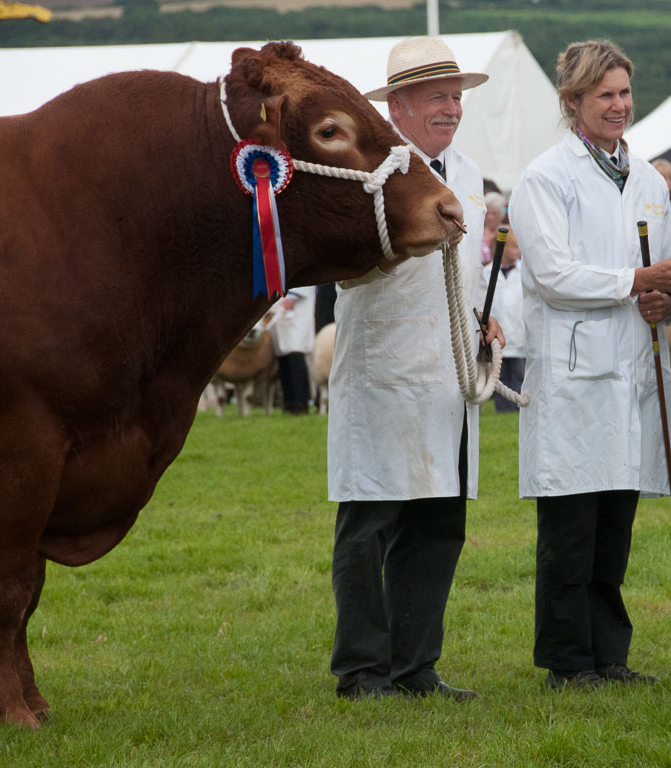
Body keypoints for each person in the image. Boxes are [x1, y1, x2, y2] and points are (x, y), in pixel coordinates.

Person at [509, 39, 671, 689]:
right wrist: (637, 278)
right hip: (574, 374)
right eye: (604, 95)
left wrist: (659, 299)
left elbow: (663, 269)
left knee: (615, 519)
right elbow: (554, 274)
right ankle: (567, 660)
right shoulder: (543, 178)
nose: (619, 106)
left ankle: (609, 655)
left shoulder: (646, 179)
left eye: (623, 93)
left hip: (632, 372)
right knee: (571, 525)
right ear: (572, 103)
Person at [327, 36, 501, 701]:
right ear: (396, 105)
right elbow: (344, 270)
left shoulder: (469, 172)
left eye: (456, 96)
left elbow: (469, 271)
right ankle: (363, 669)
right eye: (436, 97)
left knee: (438, 523)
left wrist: (487, 319)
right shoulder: (366, 173)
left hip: (448, 374)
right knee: (370, 522)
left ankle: (416, 665)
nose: (451, 108)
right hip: (385, 369)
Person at [489, 227, 526, 412]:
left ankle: (520, 408)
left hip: (519, 336)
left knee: (519, 375)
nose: (518, 251)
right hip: (498, 340)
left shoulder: (525, 273)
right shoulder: (487, 273)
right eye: (515, 247)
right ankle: (502, 410)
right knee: (500, 377)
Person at [271, 286, 315, 414]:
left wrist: (293, 295)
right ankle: (288, 402)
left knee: (295, 354)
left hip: (296, 304)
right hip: (279, 303)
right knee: (283, 356)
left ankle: (301, 402)